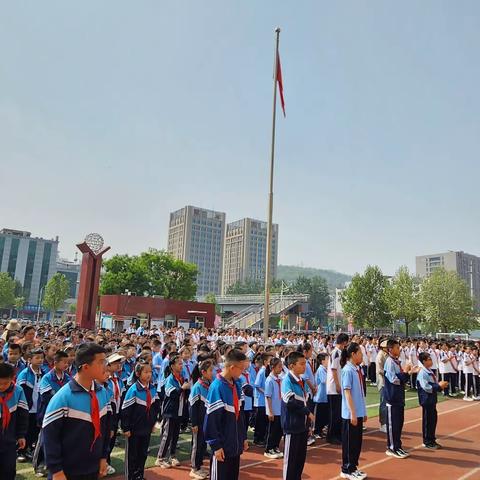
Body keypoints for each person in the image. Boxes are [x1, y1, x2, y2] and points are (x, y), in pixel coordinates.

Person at [43, 343, 112, 480]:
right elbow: (50, 436)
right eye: (101, 362)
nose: (106, 365)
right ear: (86, 367)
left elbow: (105, 428)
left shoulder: (102, 392)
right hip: (67, 471)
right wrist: (56, 470)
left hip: (92, 467)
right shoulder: (63, 397)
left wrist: (104, 457)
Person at [204, 349, 248, 480]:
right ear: (232, 367)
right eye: (241, 369)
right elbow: (211, 420)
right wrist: (216, 446)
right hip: (222, 447)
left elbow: (239, 415)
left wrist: (243, 437)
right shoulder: (217, 387)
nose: (243, 372)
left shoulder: (236, 384)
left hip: (235, 445)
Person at [34, 350, 71, 476]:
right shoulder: (47, 378)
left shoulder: (67, 378)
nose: (66, 364)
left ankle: (55, 463)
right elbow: (46, 397)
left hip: (63, 415)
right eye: (64, 362)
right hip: (47, 414)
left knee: (57, 440)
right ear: (55, 362)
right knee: (44, 440)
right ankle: (39, 464)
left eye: (68, 362)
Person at [121, 360, 160, 480]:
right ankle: (131, 477)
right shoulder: (133, 390)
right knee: (132, 455)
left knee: (143, 454)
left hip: (146, 428)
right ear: (138, 374)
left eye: (150, 372)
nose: (149, 374)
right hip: (134, 429)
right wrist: (126, 427)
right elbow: (125, 410)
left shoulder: (152, 388)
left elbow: (155, 406)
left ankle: (139, 475)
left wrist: (153, 423)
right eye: (146, 372)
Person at [281, 351, 314, 480]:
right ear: (291, 366)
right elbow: (290, 402)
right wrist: (307, 413)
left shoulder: (302, 380)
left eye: (305, 363)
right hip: (292, 426)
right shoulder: (287, 381)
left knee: (300, 459)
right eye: (301, 364)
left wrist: (308, 423)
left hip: (302, 426)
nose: (304, 366)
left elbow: (305, 401)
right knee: (290, 461)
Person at [156, 353, 191, 469]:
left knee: (175, 434)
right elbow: (172, 394)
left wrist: (187, 388)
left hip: (179, 410)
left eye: (182, 363)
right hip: (170, 411)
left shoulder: (181, 378)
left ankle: (172, 455)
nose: (181, 366)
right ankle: (160, 458)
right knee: (167, 434)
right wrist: (182, 388)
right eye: (179, 364)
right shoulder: (170, 379)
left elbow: (184, 394)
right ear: (172, 366)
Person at [383, 339, 416, 459]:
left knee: (399, 423)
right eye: (397, 348)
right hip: (392, 397)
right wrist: (406, 373)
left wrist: (408, 373)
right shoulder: (389, 362)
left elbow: (400, 378)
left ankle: (398, 445)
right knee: (393, 424)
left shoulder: (396, 362)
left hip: (399, 397)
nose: (399, 350)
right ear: (390, 349)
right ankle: (392, 447)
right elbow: (394, 379)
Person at [339, 343, 367, 480]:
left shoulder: (357, 369)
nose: (362, 355)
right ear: (353, 354)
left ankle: (353, 467)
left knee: (357, 442)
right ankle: (347, 469)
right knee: (350, 442)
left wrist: (363, 411)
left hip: (358, 411)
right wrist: (353, 413)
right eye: (360, 353)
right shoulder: (347, 370)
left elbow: (360, 392)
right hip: (351, 414)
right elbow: (347, 393)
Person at [0, 362, 29, 480]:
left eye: (5, 383)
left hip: (9, 439)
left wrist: (21, 435)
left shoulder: (18, 391)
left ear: (12, 379)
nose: (1, 386)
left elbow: (23, 415)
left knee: (9, 469)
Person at [16, 346, 45, 462]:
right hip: (26, 407)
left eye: (41, 358)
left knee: (34, 430)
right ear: (30, 359)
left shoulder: (44, 373)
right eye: (37, 358)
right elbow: (19, 391)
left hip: (37, 408)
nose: (40, 360)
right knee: (24, 430)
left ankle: (28, 449)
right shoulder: (24, 374)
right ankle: (20, 452)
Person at [416, 351, 448, 449]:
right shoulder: (422, 372)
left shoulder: (429, 371)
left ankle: (431, 439)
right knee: (428, 421)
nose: (431, 361)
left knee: (432, 420)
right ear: (424, 361)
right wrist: (438, 386)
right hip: (426, 400)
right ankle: (427, 441)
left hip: (432, 399)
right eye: (429, 359)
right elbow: (426, 387)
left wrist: (439, 385)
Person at [189, 359, 214, 480]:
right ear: (203, 372)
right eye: (210, 370)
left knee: (203, 445)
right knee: (197, 445)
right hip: (198, 421)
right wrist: (194, 423)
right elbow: (193, 406)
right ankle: (194, 468)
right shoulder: (197, 387)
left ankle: (199, 465)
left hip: (206, 420)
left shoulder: (209, 384)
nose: (212, 372)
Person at [327, 333, 349, 444]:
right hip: (333, 387)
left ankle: (337, 434)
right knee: (334, 413)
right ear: (344, 342)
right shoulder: (335, 353)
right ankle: (331, 436)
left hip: (337, 386)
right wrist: (337, 385)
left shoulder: (339, 352)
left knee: (338, 412)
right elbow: (334, 369)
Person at [264, 357, 284, 459]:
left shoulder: (279, 379)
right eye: (279, 366)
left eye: (281, 366)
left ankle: (275, 446)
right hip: (273, 410)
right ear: (272, 367)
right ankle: (268, 449)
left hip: (280, 409)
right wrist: (270, 411)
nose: (281, 369)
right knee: (272, 431)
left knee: (279, 430)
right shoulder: (269, 380)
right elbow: (268, 397)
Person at [313, 353, 329, 438]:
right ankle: (316, 431)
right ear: (323, 361)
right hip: (320, 396)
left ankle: (321, 430)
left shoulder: (325, 369)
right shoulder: (321, 369)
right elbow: (324, 380)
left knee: (324, 415)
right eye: (327, 359)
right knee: (319, 415)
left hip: (324, 396)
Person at [375, 339, 388, 433]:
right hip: (382, 382)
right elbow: (380, 370)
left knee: (387, 403)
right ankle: (383, 423)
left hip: (388, 382)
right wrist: (390, 374)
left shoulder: (387, 355)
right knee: (383, 403)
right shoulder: (380, 355)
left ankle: (387, 422)